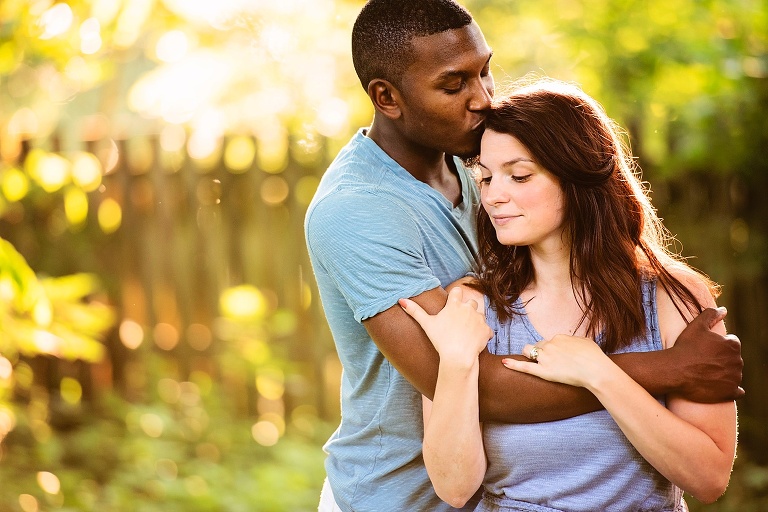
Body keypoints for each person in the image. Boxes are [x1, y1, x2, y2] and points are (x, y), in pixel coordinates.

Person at [304, 1, 743, 511]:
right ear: (387, 97)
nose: (484, 99)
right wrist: (663, 368)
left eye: (485, 71)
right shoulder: (357, 209)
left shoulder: (471, 160)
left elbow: (706, 474)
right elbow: (476, 383)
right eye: (454, 86)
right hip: (397, 496)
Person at [401, 78, 738, 511]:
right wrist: (456, 361)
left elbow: (708, 478)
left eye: (519, 176)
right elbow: (455, 487)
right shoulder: (471, 305)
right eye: (485, 178)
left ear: (577, 175)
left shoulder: (673, 298)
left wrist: (600, 373)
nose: (493, 196)